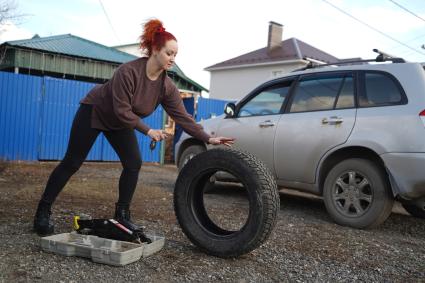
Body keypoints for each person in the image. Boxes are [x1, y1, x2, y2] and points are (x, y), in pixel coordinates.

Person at [33, 19, 234, 236]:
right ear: (155, 50)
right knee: (72, 162)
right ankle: (42, 211)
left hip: (121, 122)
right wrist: (148, 130)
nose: (173, 59)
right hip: (95, 111)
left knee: (133, 162)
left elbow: (182, 117)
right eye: (169, 53)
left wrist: (207, 138)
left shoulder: (166, 87)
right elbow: (121, 110)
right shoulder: (128, 72)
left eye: (176, 55)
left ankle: (122, 214)